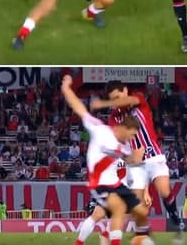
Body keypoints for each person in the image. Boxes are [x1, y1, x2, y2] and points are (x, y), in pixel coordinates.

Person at [60, 75, 152, 245]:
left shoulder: (125, 147)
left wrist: (135, 157)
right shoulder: (100, 130)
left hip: (117, 185)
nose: (132, 139)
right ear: (125, 128)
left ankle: (135, 238)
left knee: (141, 212)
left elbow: (130, 160)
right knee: (116, 209)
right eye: (132, 134)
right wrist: (66, 88)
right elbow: (79, 108)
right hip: (99, 183)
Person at [89, 81, 185, 239]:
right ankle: (142, 234)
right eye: (113, 99)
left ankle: (175, 218)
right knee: (137, 205)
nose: (116, 102)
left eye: (118, 97)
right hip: (136, 163)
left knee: (164, 190)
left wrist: (103, 103)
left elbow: (129, 101)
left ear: (125, 91)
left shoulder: (138, 99)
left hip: (153, 154)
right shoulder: (114, 117)